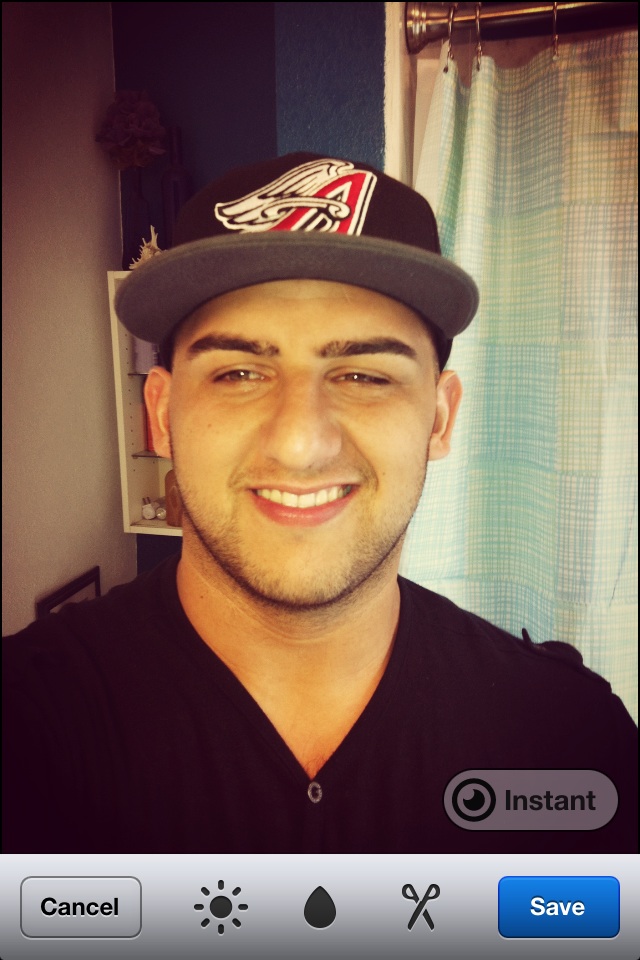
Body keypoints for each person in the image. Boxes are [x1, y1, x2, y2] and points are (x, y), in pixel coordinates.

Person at [3, 153, 637, 854]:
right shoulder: (26, 725)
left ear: (439, 419)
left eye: (364, 376)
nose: (301, 443)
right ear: (161, 415)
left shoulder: (571, 737)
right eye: (238, 373)